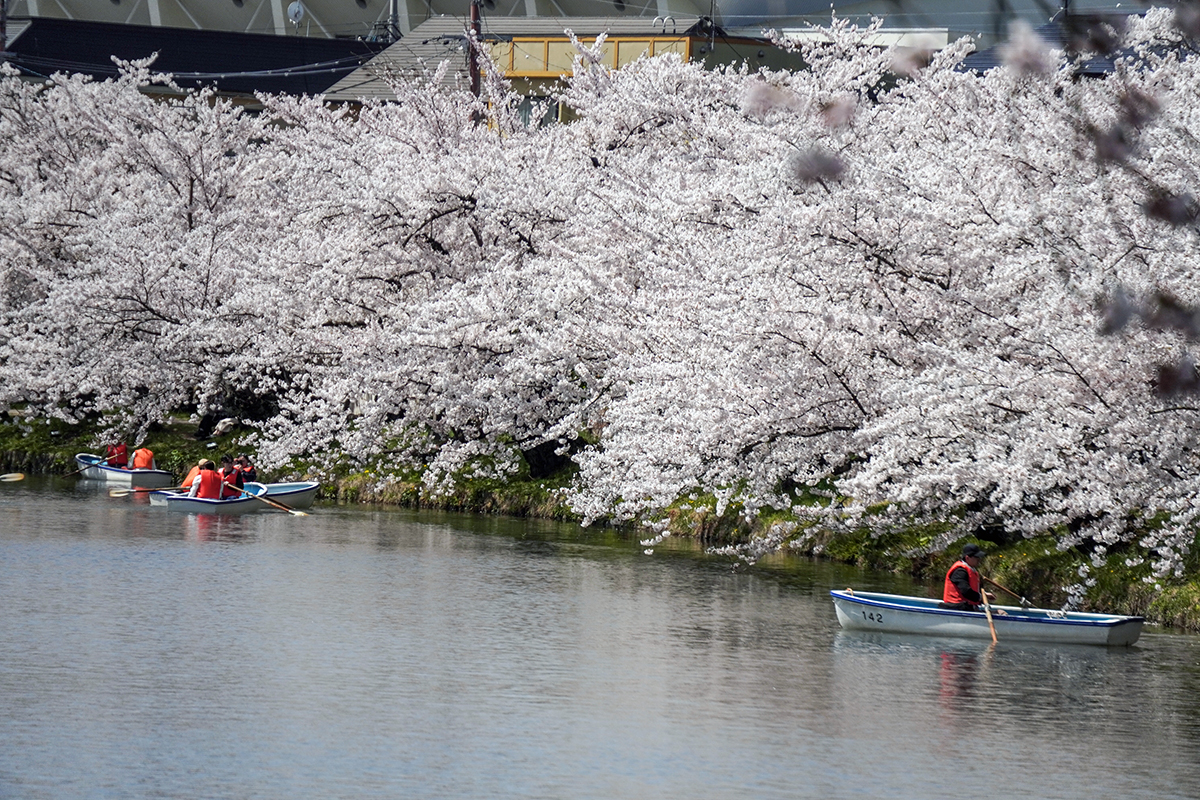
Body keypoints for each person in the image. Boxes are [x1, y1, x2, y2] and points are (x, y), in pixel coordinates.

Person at [941, 544, 997, 611]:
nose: (979, 559)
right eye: (976, 557)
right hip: (957, 607)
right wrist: (982, 597)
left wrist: (985, 595)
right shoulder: (960, 571)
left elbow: (973, 590)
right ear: (967, 558)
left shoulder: (971, 570)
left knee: (1001, 612)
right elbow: (966, 591)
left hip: (967, 607)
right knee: (1000, 613)